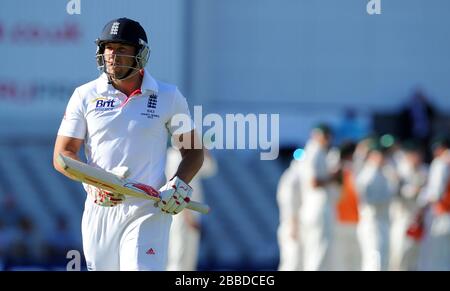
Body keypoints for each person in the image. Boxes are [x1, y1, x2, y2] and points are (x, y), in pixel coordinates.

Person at [53, 18, 204, 271]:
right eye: (108, 48)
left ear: (140, 54)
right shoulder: (85, 95)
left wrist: (178, 184)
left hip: (149, 207)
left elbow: (193, 151)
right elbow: (62, 155)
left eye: (122, 49)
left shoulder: (168, 96)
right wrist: (94, 183)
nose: (112, 55)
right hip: (101, 209)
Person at [166, 147, 217, 271]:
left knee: (190, 258)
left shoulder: (193, 154)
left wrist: (202, 149)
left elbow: (211, 169)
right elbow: (173, 188)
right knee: (178, 255)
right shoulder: (173, 156)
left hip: (192, 213)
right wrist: (186, 215)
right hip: (178, 212)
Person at [300, 124, 338, 271]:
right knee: (319, 251)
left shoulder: (313, 152)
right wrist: (333, 177)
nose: (328, 140)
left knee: (313, 251)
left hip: (312, 207)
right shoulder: (316, 152)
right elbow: (314, 182)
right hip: (318, 208)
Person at [355, 141, 397, 271]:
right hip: (371, 223)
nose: (384, 158)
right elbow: (366, 201)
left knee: (382, 260)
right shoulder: (368, 175)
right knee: (374, 261)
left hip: (382, 222)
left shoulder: (382, 173)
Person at [416, 136, 450, 271]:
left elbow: (435, 194)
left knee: (436, 258)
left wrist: (421, 207)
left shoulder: (441, 163)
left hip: (441, 215)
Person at [276, 159, 303, 271]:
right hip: (291, 226)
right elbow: (289, 203)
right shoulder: (293, 178)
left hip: (294, 226)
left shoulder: (290, 177)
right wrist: (293, 225)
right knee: (292, 262)